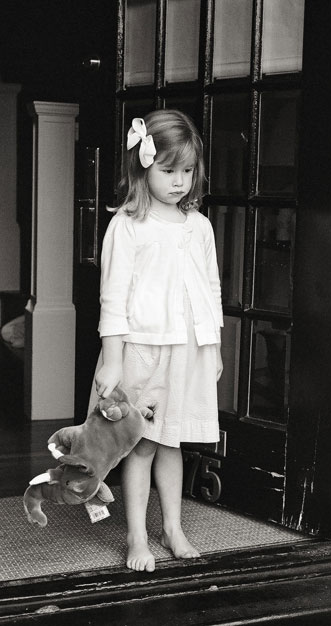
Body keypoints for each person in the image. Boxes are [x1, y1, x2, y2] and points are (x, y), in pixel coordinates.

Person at [91, 109, 223, 572]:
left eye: (187, 171)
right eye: (168, 171)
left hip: (188, 351)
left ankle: (173, 527)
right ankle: (135, 535)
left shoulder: (199, 227)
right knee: (142, 444)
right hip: (142, 352)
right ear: (143, 166)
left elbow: (210, 290)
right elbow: (113, 300)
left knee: (174, 442)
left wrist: (215, 347)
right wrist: (112, 361)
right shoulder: (127, 226)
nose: (179, 182)